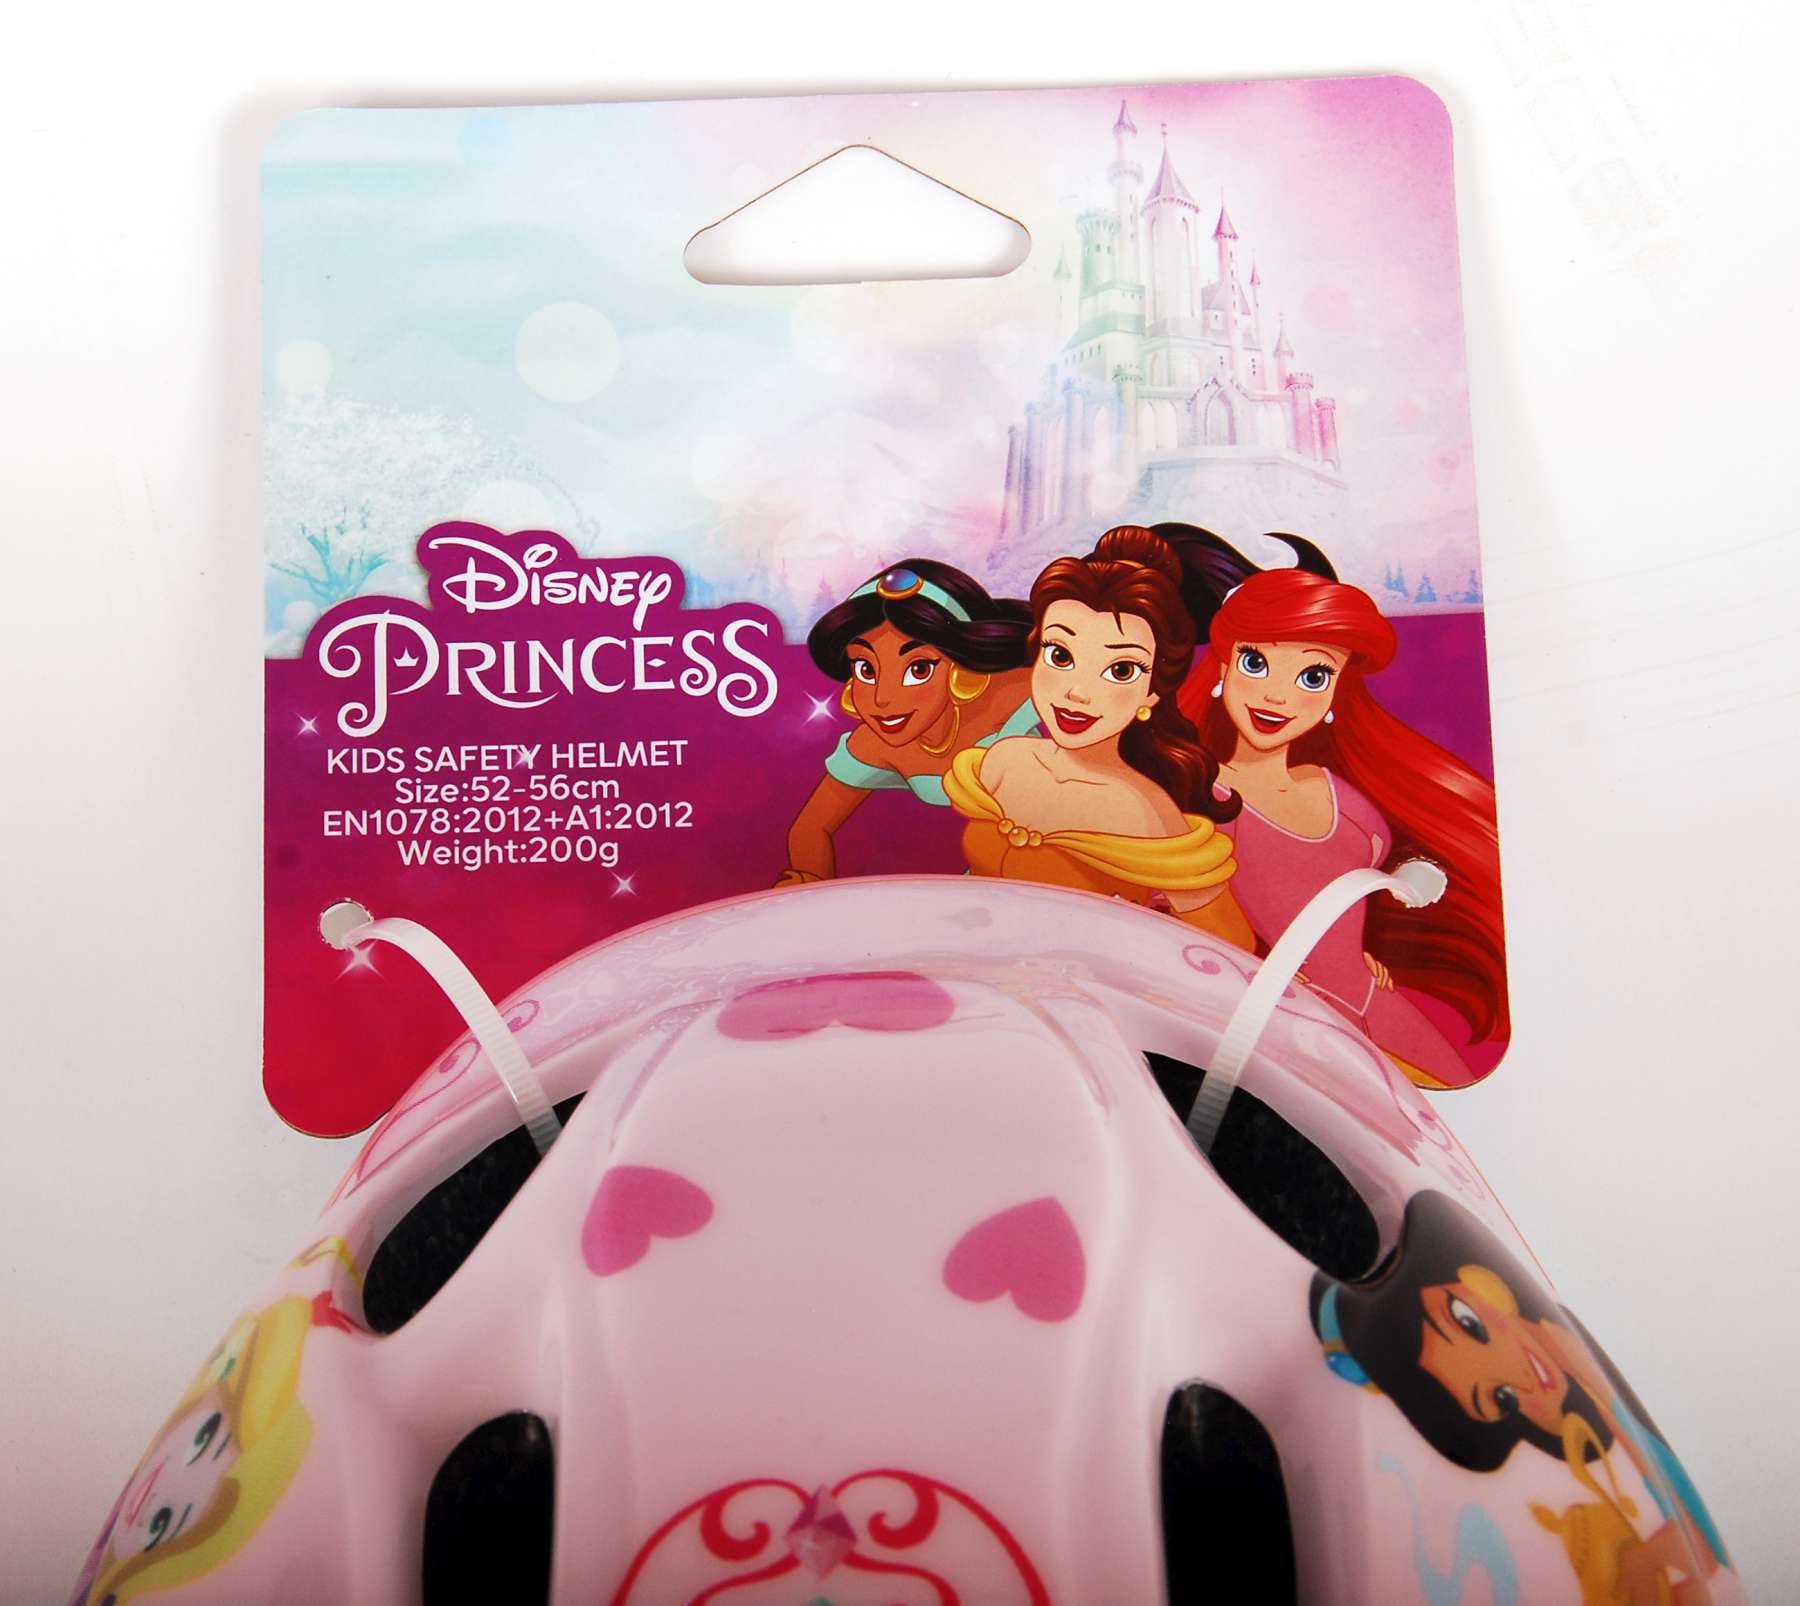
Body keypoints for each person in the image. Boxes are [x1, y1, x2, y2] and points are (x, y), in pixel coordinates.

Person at [1312, 1190, 1729, 1606]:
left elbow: (1700, 1554)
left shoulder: (1584, 1390)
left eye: (1470, 1324)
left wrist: (1643, 1561)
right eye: (1502, 1397)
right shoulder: (1587, 1419)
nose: (1525, 1379)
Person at [1177, 565, 1506, 1087]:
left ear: (1336, 691)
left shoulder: (1341, 796)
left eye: (1313, 676)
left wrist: (1368, 949)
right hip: (1292, 1012)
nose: (1278, 697)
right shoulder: (1209, 798)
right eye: (1256, 662)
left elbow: (1355, 890)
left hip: (1374, 994)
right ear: (1222, 667)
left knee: (1453, 1092)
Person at [944, 524, 1285, 948]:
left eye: (1120, 670)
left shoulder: (1146, 812)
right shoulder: (1003, 760)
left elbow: (1232, 943)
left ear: (1153, 691)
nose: (1077, 692)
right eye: (1060, 655)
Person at [778, 561, 1037, 884]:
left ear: (959, 666)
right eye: (865, 670)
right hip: (993, 879)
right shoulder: (874, 744)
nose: (882, 699)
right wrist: (809, 880)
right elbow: (811, 827)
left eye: (918, 669)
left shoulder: (1022, 690)